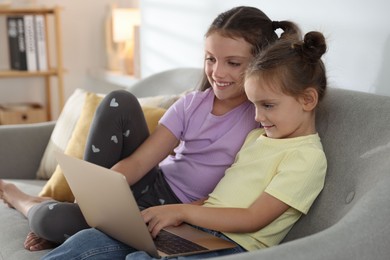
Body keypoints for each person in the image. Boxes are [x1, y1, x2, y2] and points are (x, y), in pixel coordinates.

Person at [0, 6, 299, 252]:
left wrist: (186, 213)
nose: (217, 73)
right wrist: (96, 198)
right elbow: (142, 161)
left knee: (49, 223)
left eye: (233, 63)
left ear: (260, 63)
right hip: (149, 185)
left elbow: (244, 186)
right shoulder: (192, 104)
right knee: (119, 102)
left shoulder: (261, 117)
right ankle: (75, 206)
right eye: (210, 59)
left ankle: (18, 197)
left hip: (178, 212)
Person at [41, 29, 329, 260]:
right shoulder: (259, 137)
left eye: (267, 105)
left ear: (308, 100)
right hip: (197, 230)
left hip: (232, 246)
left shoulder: (306, 158)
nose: (257, 116)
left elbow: (253, 218)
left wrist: (181, 211)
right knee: (88, 240)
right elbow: (220, 197)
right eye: (254, 105)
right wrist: (177, 215)